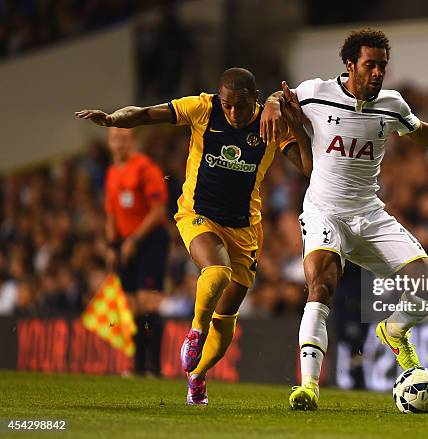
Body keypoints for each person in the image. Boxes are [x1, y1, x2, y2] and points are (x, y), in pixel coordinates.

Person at [261, 28, 428, 410]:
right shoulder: (318, 93)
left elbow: (422, 132)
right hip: (326, 213)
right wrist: (273, 104)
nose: (377, 73)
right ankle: (308, 387)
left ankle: (393, 330)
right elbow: (279, 97)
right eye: (369, 65)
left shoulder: (391, 104)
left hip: (370, 215)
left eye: (382, 66)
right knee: (320, 286)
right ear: (350, 64)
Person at [77, 67, 310, 405]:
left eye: (240, 106)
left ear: (255, 100)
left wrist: (298, 130)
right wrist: (114, 119)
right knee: (216, 272)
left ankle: (197, 377)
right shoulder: (202, 108)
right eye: (227, 104)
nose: (232, 112)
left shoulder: (269, 123)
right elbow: (146, 114)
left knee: (227, 318)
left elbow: (306, 166)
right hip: (197, 215)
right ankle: (195, 333)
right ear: (219, 98)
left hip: (244, 227)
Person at [104, 127, 169, 377]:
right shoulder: (111, 173)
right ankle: (137, 364)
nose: (119, 143)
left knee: (147, 301)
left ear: (132, 141)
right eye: (114, 138)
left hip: (150, 241)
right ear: (109, 143)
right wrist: (112, 245)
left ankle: (155, 366)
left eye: (123, 138)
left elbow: (157, 211)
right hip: (124, 244)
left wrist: (134, 239)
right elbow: (111, 214)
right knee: (130, 305)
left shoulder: (145, 169)